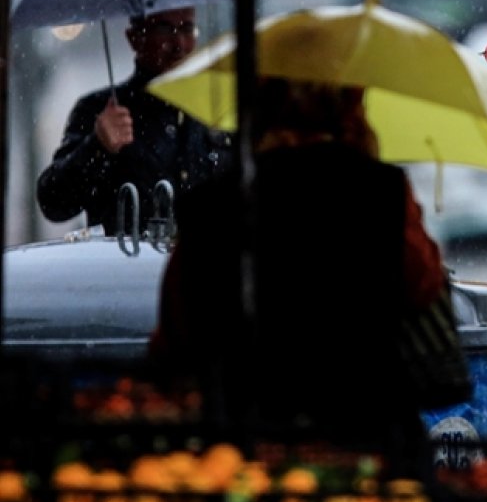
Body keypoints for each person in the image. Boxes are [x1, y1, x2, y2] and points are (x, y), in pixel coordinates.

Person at [149, 77, 446, 475]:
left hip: (245, 451)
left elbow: (176, 334)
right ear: (346, 109)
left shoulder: (213, 204)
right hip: (365, 443)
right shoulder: (379, 190)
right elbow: (424, 284)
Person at [36, 7, 233, 235]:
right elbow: (54, 203)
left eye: (187, 28)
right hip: (125, 267)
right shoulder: (100, 110)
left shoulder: (218, 109)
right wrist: (98, 146)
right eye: (164, 29)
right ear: (135, 38)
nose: (178, 43)